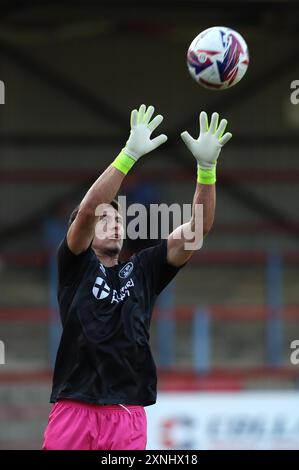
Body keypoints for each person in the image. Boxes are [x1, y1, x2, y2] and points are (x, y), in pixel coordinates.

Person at [42, 104, 232, 450]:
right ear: (81, 231)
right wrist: (129, 154)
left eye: (118, 219)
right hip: (74, 410)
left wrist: (206, 170)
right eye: (105, 219)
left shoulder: (144, 269)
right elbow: (88, 210)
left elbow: (197, 230)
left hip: (128, 414)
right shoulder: (75, 265)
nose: (115, 223)